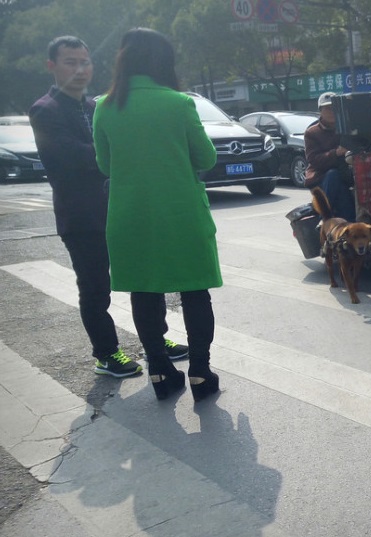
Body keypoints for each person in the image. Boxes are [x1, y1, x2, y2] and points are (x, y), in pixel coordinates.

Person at [29, 36, 187, 379]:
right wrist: (120, 153)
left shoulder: (96, 107)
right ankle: (106, 353)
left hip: (122, 209)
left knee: (147, 276)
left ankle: (155, 340)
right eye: (70, 62)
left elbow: (107, 151)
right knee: (95, 286)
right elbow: (70, 157)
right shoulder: (45, 110)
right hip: (83, 217)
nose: (80, 69)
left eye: (85, 61)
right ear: (52, 66)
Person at [93, 28, 220, 401]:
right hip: (181, 213)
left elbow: (105, 165)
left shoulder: (104, 106)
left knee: (144, 292)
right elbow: (207, 158)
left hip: (130, 215)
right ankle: (199, 370)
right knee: (195, 290)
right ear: (164, 62)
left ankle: (160, 372)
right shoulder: (179, 103)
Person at [303, 92, 356, 222]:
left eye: (334, 108)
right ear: (320, 111)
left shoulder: (349, 128)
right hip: (322, 175)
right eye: (327, 108)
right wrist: (336, 153)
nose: (331, 111)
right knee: (334, 176)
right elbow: (314, 160)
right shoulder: (312, 132)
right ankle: (324, 219)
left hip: (348, 172)